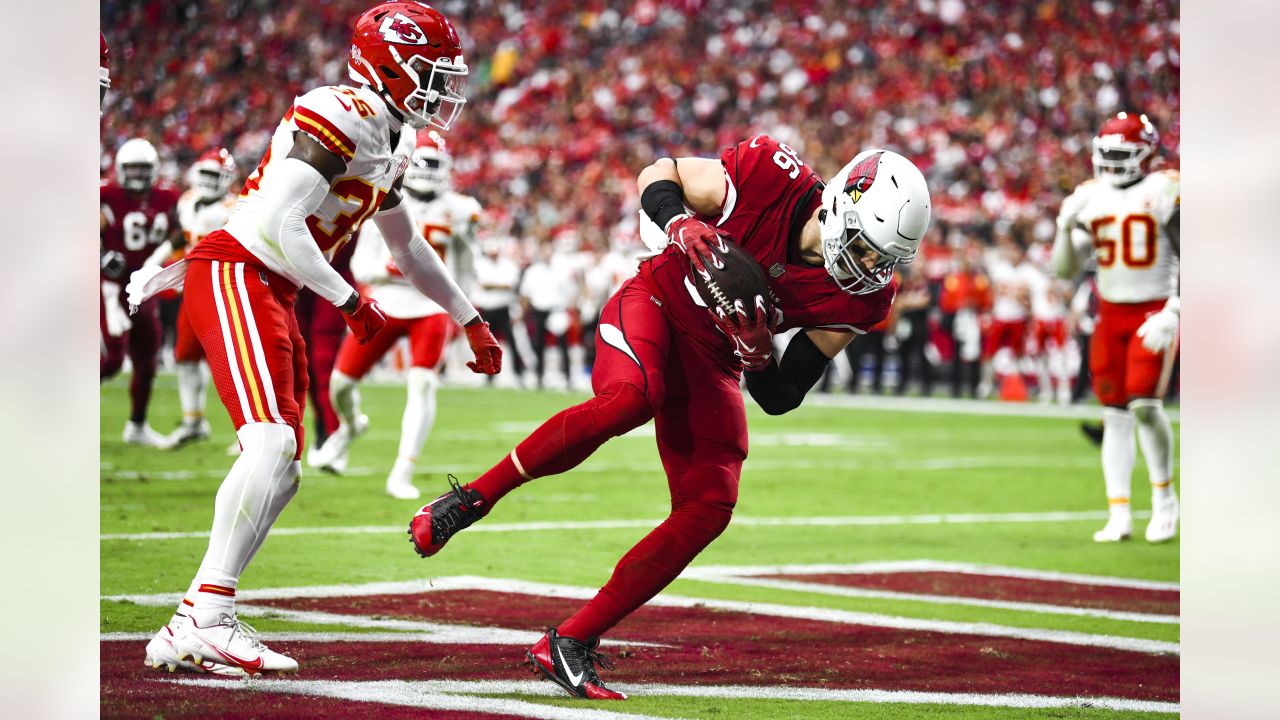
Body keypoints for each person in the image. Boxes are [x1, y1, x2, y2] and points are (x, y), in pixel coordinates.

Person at [408, 138, 930, 699]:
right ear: (837, 204)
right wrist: (681, 222)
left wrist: (757, 353)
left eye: (886, 259)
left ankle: (569, 641)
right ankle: (471, 500)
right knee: (630, 399)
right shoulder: (770, 176)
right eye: (866, 246)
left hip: (718, 358)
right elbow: (659, 171)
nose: (871, 267)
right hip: (656, 301)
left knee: (711, 504)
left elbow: (782, 393)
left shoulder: (865, 298)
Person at [128, 1, 501, 676]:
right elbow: (278, 224)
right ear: (386, 64)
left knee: (286, 468)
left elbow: (408, 248)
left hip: (274, 285)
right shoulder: (346, 112)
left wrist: (470, 317)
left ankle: (188, 621)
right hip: (242, 269)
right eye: (430, 72)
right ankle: (211, 615)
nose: (442, 89)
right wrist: (350, 299)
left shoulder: (389, 134)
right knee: (270, 446)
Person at [311, 128, 483, 498]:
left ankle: (402, 472)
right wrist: (389, 270)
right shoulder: (384, 194)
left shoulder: (462, 210)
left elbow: (469, 267)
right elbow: (361, 266)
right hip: (386, 302)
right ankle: (350, 427)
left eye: (435, 162)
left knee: (422, 386)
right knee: (341, 383)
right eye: (423, 160)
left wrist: (464, 309)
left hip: (430, 308)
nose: (428, 168)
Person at [1053, 111, 1179, 544]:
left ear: (1145, 155)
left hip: (1153, 309)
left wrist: (1176, 310)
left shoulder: (1165, 189)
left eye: (1121, 153)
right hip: (1110, 315)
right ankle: (1119, 512)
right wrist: (1064, 227)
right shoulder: (1092, 195)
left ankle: (1165, 501)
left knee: (1145, 404)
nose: (1110, 161)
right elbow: (1063, 270)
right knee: (1115, 415)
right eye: (1105, 153)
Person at [101, 138, 182, 448]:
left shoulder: (168, 196)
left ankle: (137, 425)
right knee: (111, 359)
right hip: (108, 287)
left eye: (142, 168)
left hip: (143, 287)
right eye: (131, 168)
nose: (136, 175)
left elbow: (180, 231)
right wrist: (101, 256)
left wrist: (164, 255)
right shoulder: (106, 195)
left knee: (147, 359)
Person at [163, 148, 240, 447]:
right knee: (184, 357)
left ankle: (249, 433)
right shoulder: (188, 201)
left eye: (214, 174)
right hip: (194, 292)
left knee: (230, 365)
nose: (209, 180)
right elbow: (182, 238)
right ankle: (193, 421)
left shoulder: (234, 208)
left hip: (224, 293)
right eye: (205, 173)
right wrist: (155, 264)